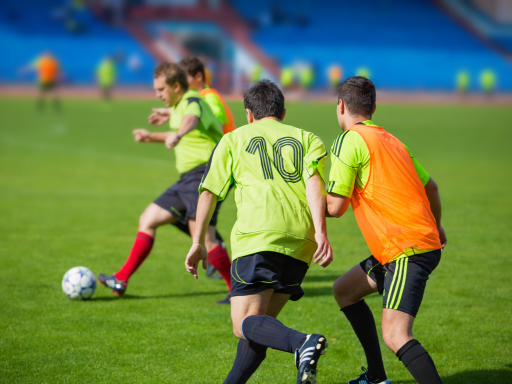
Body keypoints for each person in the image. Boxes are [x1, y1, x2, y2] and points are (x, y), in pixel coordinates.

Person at [185, 80, 332, 384]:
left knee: (244, 325)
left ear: (249, 114)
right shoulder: (306, 137)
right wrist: (320, 233)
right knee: (260, 327)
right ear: (283, 112)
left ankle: (301, 343)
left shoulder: (233, 139)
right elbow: (315, 183)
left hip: (258, 237)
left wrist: (198, 241)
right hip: (301, 242)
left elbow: (209, 192)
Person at [326, 76, 447, 384]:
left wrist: (311, 192)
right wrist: (437, 226)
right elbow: (430, 186)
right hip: (408, 245)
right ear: (374, 108)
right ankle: (377, 377)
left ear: (340, 105)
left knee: (396, 334)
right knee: (345, 291)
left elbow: (335, 208)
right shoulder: (393, 141)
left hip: (406, 249)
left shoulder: (349, 140)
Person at [98, 63, 232, 304]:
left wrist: (179, 134)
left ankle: (237, 290)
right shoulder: (180, 106)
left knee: (205, 239)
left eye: (161, 89)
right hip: (187, 179)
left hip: (202, 175)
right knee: (148, 219)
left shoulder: (193, 100)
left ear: (176, 86)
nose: (157, 95)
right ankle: (121, 278)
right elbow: (182, 130)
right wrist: (150, 136)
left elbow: (191, 120)